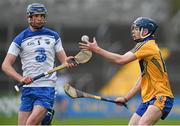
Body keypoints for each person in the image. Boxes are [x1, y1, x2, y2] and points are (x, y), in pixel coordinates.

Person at [79, 17, 174, 125]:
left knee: (143, 124)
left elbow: (121, 59)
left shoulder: (147, 45)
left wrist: (97, 49)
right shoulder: (147, 49)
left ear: (145, 31)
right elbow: (142, 80)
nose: (133, 31)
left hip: (161, 96)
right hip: (148, 98)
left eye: (137, 29)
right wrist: (126, 98)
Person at [2, 3, 76, 125]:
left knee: (30, 124)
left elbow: (64, 61)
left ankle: (44, 118)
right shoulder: (20, 39)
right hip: (28, 89)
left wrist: (68, 62)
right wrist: (21, 78)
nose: (40, 18)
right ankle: (45, 120)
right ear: (29, 17)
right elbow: (5, 65)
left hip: (46, 87)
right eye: (36, 15)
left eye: (42, 15)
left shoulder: (53, 36)